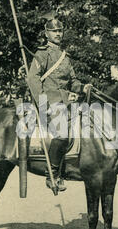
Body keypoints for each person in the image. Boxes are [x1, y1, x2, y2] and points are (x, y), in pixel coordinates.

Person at [27, 16, 91, 191]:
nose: (57, 34)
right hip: (49, 103)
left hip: (67, 103)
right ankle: (52, 175)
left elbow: (73, 81)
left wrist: (82, 88)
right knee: (62, 134)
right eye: (54, 31)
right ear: (46, 34)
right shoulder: (41, 54)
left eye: (60, 31)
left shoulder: (65, 57)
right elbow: (33, 79)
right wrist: (43, 104)